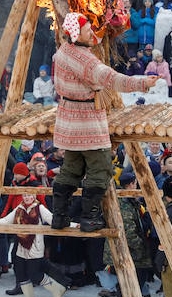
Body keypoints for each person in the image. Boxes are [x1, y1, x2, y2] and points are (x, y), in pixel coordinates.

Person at [49, 12, 155, 232]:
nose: (91, 32)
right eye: (87, 30)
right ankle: (90, 218)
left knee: (70, 168)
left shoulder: (62, 52)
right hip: (86, 119)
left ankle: (59, 216)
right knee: (101, 168)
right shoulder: (83, 60)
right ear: (76, 34)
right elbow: (112, 79)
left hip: (69, 118)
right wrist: (143, 83)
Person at [0, 190, 68, 297]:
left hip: (35, 245)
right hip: (21, 245)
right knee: (20, 271)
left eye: (29, 195)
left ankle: (57, 289)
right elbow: (6, 220)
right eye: (24, 195)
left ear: (34, 196)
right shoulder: (20, 208)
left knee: (34, 274)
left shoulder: (40, 208)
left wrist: (72, 225)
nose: (27, 197)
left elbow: (53, 220)